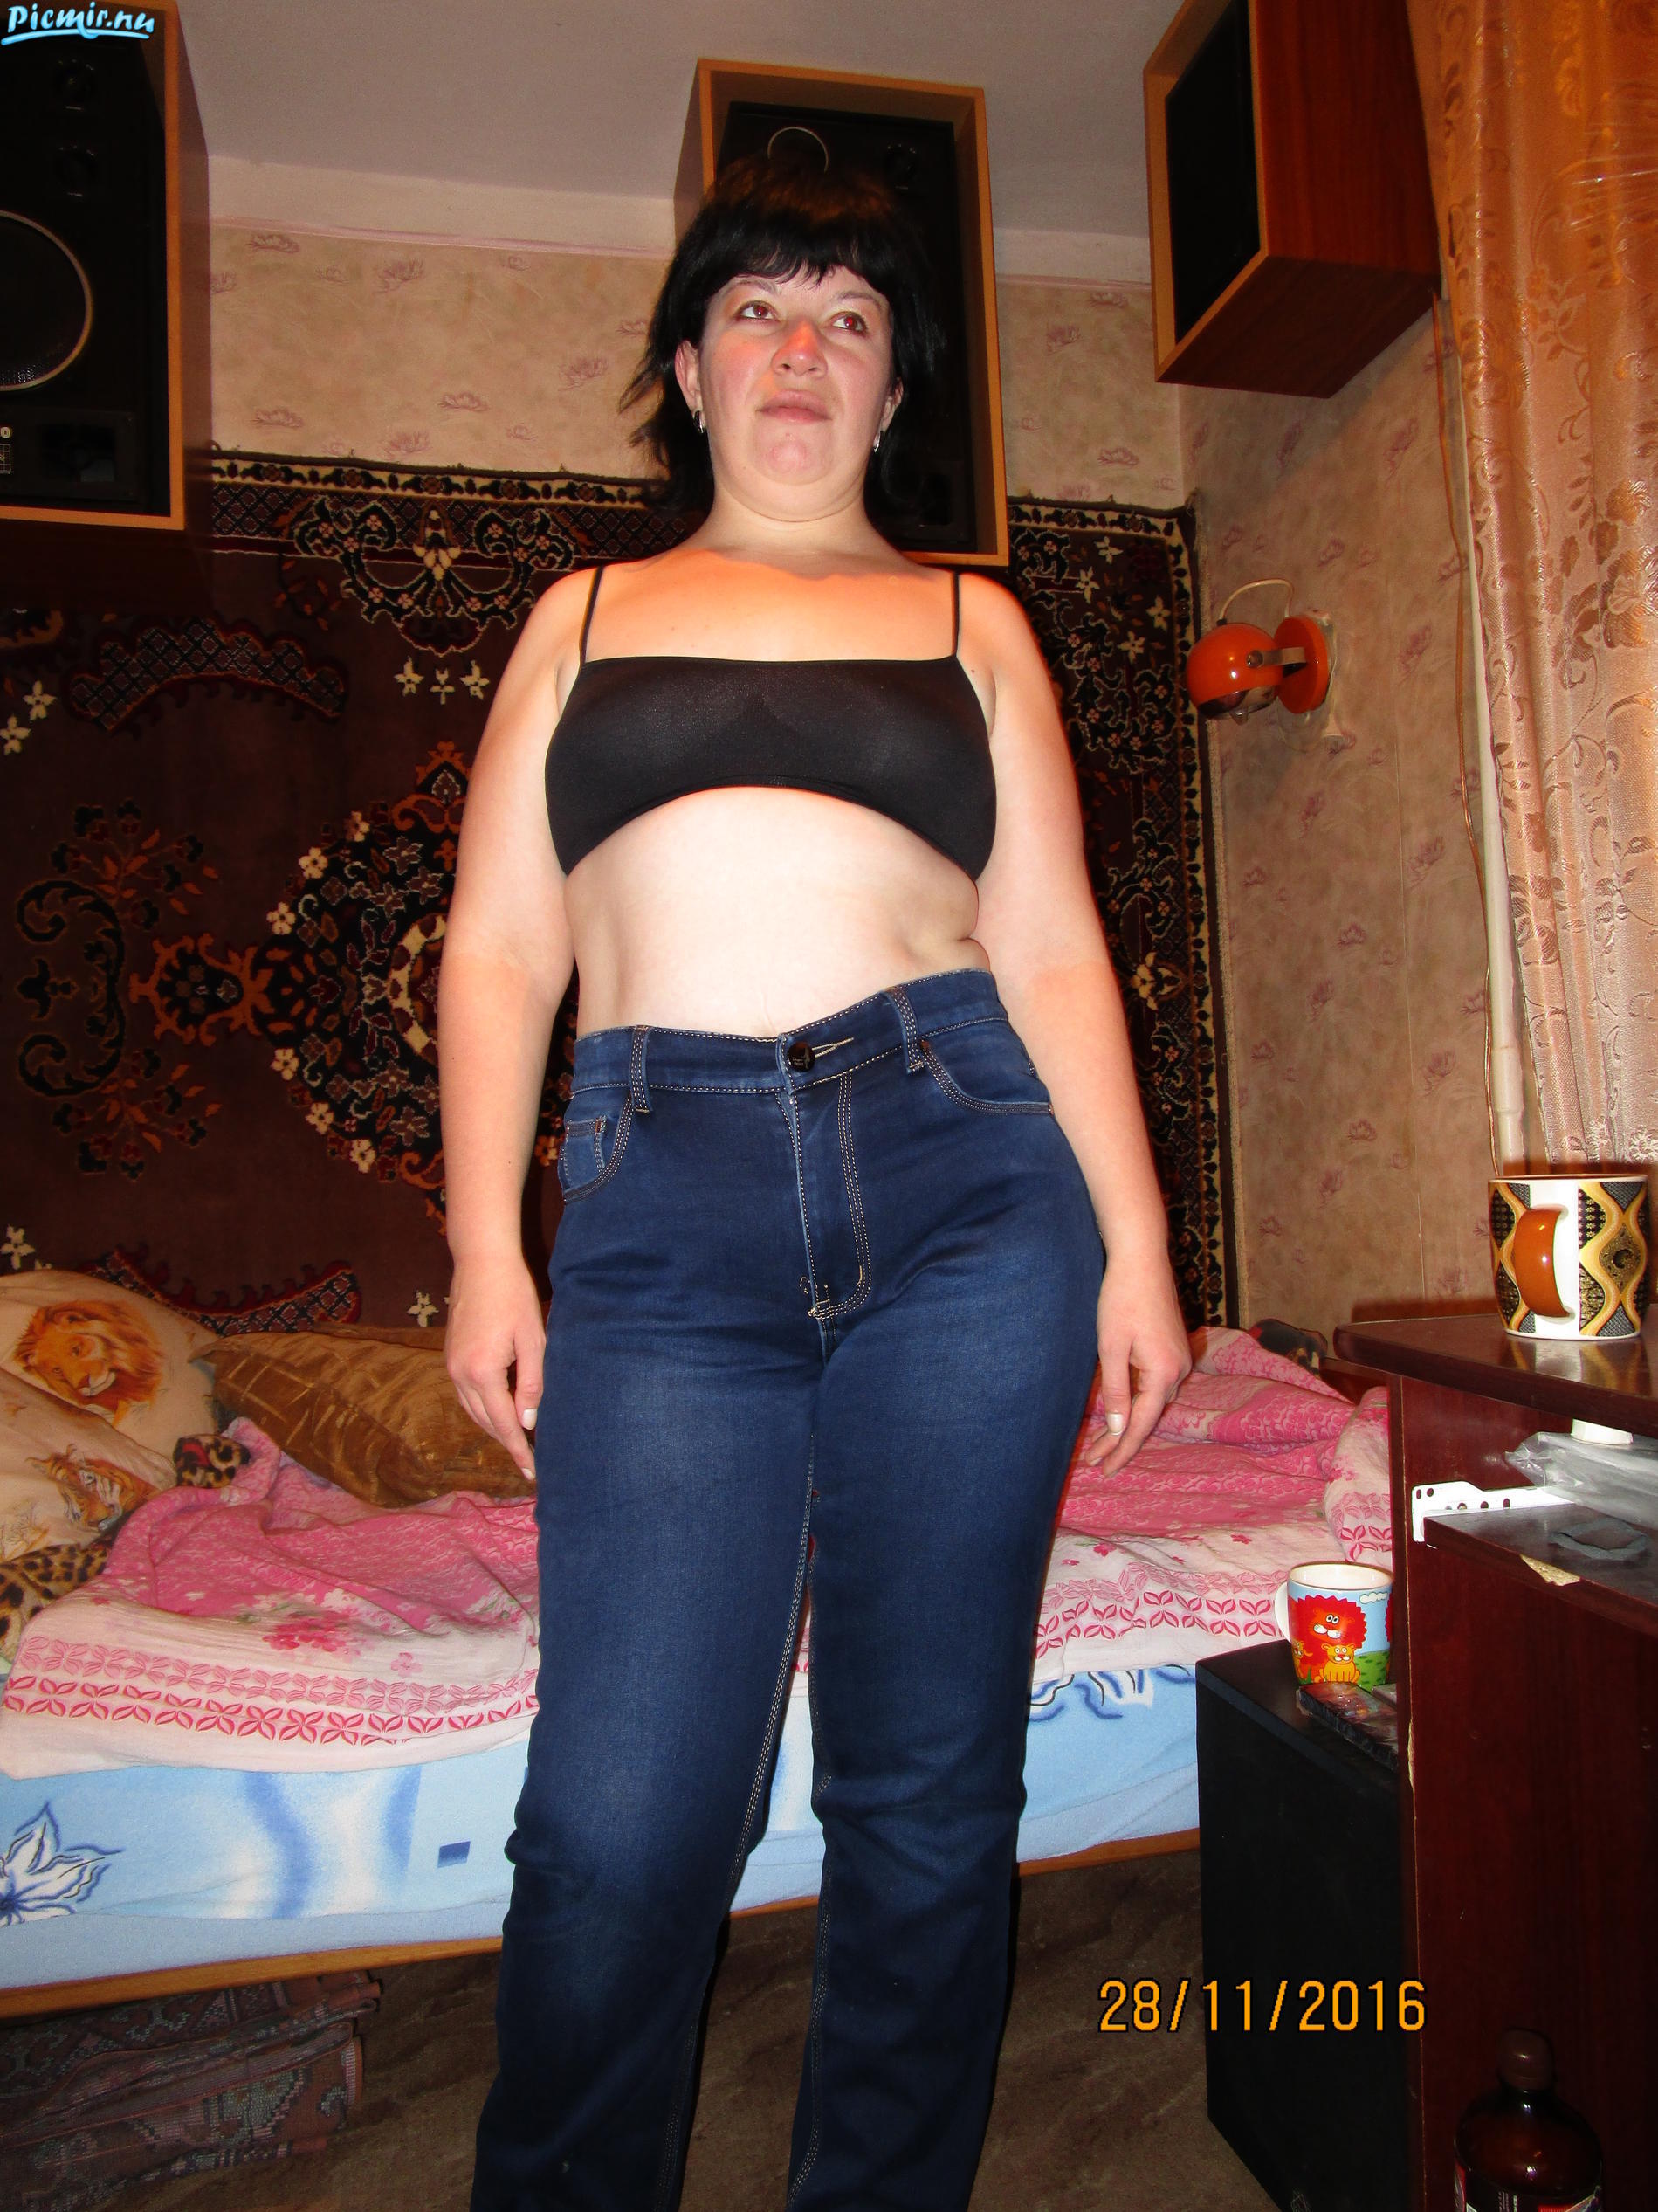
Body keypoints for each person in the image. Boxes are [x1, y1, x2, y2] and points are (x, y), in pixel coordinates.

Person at [439, 152, 1191, 2212]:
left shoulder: (972, 621)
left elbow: (1051, 949)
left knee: (926, 1796)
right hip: (661, 1207)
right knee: (618, 1820)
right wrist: (485, 1245)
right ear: (688, 372)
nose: (799, 345)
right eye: (755, 307)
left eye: (848, 318)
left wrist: (1137, 1246)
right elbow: (499, 946)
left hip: (966, 1180)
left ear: (889, 391)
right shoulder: (581, 618)